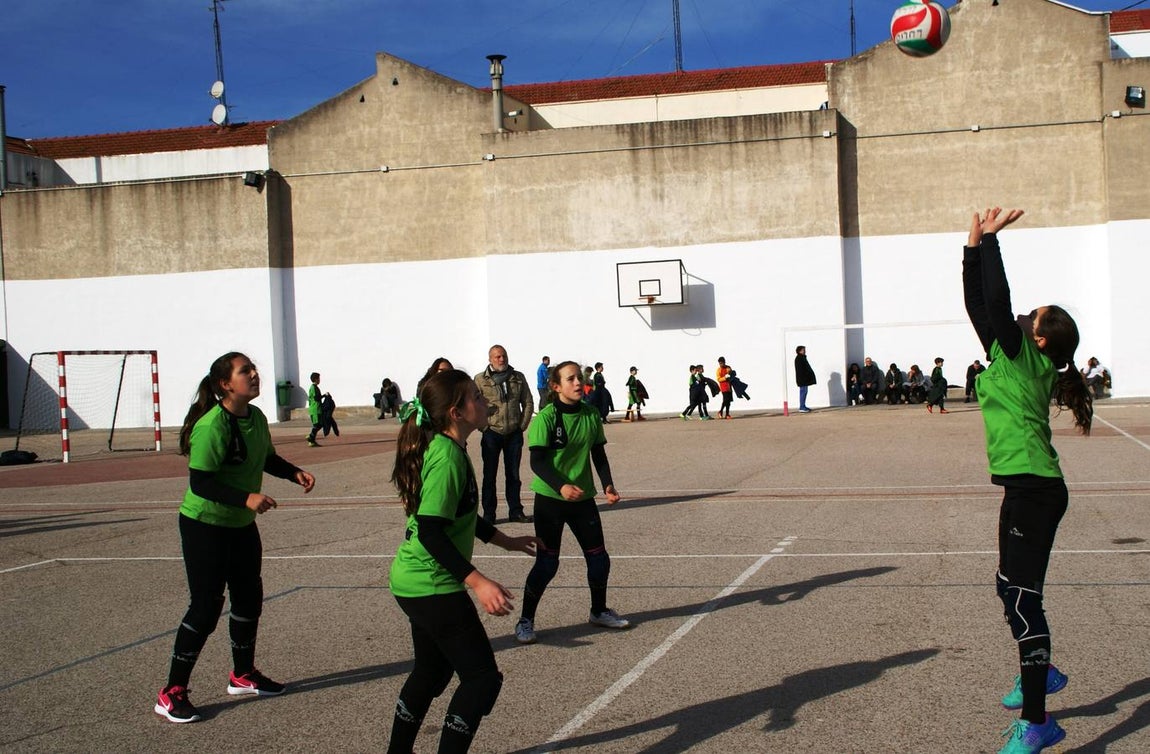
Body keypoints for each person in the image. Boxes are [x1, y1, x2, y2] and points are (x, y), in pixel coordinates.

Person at [963, 207, 1092, 754]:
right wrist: (972, 245)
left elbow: (996, 302)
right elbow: (979, 306)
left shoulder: (1024, 361)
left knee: (1022, 599)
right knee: (1007, 586)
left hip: (1036, 490)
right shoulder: (1013, 354)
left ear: (1040, 340)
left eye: (1030, 318)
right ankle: (1042, 670)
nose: (1021, 318)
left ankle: (1038, 721)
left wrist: (993, 243)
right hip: (1026, 487)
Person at [154, 352, 316, 724]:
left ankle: (242, 675)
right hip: (205, 525)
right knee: (206, 606)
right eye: (246, 371)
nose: (255, 374)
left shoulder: (255, 417)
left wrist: (294, 473)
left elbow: (265, 458)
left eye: (254, 369)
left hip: (240, 525)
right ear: (226, 384)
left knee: (248, 596)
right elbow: (201, 481)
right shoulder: (213, 425)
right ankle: (171, 692)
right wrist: (246, 498)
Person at [386, 370, 540, 754]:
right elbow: (431, 530)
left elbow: (463, 513)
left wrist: (506, 541)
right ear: (456, 412)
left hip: (413, 581)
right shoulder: (447, 458)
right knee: (482, 679)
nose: (484, 400)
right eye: (475, 395)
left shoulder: (448, 447)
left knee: (432, 672)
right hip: (431, 585)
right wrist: (478, 581)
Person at [514, 360, 630, 645]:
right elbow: (537, 461)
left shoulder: (590, 414)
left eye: (579, 377)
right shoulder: (546, 418)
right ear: (556, 386)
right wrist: (561, 485)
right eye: (570, 379)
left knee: (599, 558)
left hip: (582, 499)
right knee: (547, 565)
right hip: (551, 500)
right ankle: (525, 620)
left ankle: (599, 610)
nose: (578, 383)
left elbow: (598, 455)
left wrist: (608, 485)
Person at [474, 345, 534, 524]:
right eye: (498, 357)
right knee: (489, 475)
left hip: (513, 434)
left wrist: (522, 426)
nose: (502, 359)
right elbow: (473, 405)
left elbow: (528, 402)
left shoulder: (518, 377)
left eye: (504, 356)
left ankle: (515, 510)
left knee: (514, 475)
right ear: (490, 359)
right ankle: (489, 514)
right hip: (492, 433)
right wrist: (483, 427)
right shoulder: (479, 380)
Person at [794, 346, 817, 413]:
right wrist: (806, 377)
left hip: (803, 379)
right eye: (803, 350)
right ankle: (802, 407)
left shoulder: (801, 358)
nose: (805, 351)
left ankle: (803, 406)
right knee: (803, 392)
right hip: (802, 379)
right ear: (799, 351)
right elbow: (802, 370)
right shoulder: (800, 358)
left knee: (804, 392)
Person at [306, 372, 323, 447]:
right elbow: (316, 398)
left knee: (317, 424)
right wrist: (324, 395)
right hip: (316, 409)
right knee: (319, 424)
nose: (319, 380)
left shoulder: (313, 387)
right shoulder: (314, 387)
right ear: (316, 379)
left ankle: (311, 439)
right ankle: (311, 437)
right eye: (319, 378)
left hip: (314, 409)